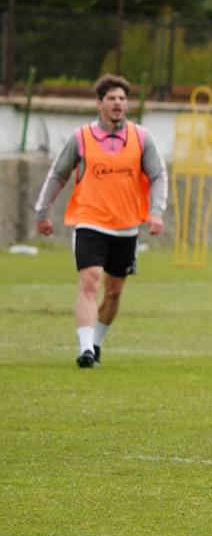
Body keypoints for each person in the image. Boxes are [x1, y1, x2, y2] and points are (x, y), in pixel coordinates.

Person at [33, 74, 168, 368]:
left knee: (114, 291)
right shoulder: (81, 138)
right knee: (89, 281)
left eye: (122, 98)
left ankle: (96, 342)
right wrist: (42, 212)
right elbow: (58, 174)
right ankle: (85, 350)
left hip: (127, 225)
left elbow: (158, 175)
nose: (118, 103)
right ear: (99, 104)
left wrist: (156, 211)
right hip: (90, 221)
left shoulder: (141, 138)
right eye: (112, 98)